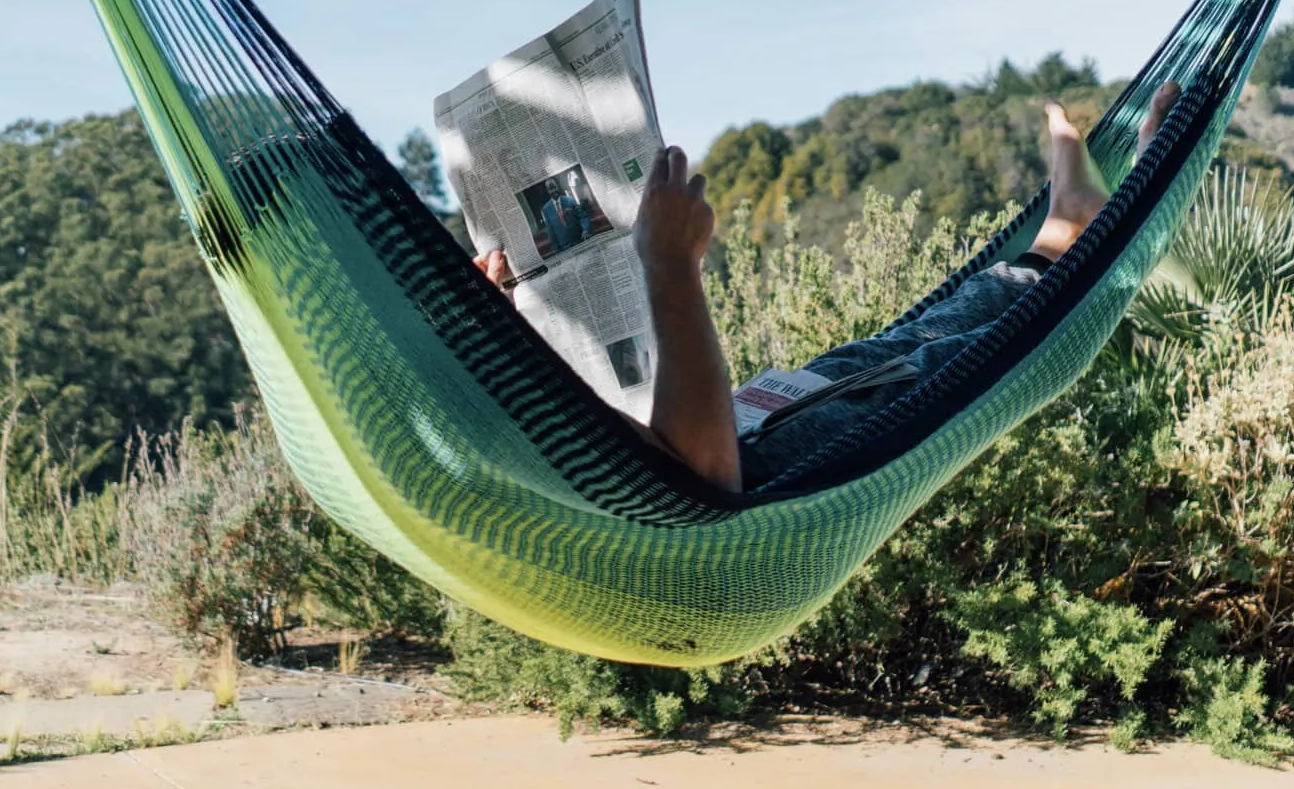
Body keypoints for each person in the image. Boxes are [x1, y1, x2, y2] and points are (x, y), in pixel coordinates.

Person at [478, 83, 1181, 493]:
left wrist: (498, 331)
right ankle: (1107, 220)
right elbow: (703, 480)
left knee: (917, 342)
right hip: (751, 471)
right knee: (981, 357)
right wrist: (669, 264)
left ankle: (1064, 229)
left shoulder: (448, 429)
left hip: (754, 414)